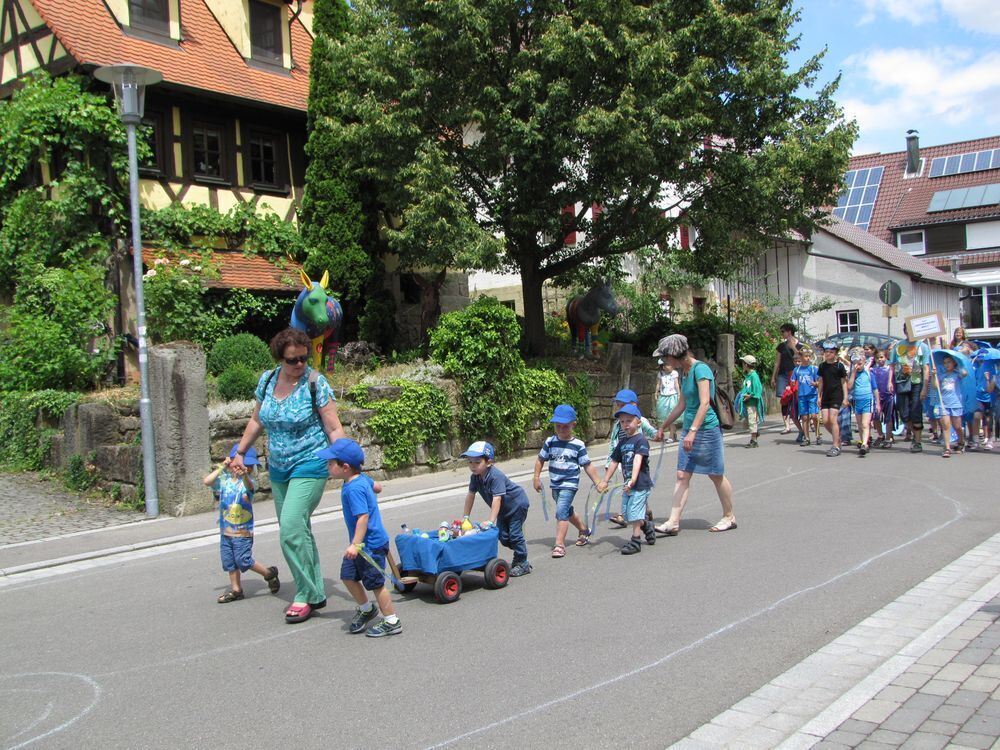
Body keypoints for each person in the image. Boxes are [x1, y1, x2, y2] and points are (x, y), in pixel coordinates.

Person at [230, 328, 346, 624]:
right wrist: (240, 452)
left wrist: (347, 463)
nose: (299, 365)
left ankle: (305, 595)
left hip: (311, 462)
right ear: (280, 358)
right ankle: (315, 589)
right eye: (292, 360)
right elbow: (256, 420)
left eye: (304, 359)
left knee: (291, 528)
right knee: (298, 531)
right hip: (279, 468)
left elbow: (333, 428)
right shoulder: (268, 381)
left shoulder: (315, 383)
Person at [652, 334, 736, 536]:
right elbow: (682, 404)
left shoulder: (701, 369)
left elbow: (705, 402)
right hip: (691, 430)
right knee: (682, 475)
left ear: (675, 354)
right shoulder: (684, 372)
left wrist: (692, 432)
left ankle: (729, 516)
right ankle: (673, 521)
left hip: (706, 430)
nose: (664, 361)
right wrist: (663, 426)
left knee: (715, 474)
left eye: (665, 357)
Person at [317, 438, 401, 637]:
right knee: (347, 576)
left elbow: (362, 518)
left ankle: (392, 620)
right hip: (362, 544)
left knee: (376, 584)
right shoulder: (360, 479)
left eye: (330, 463)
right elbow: (376, 486)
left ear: (345, 467)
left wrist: (355, 544)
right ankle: (366, 609)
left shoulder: (354, 488)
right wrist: (376, 488)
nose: (327, 466)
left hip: (368, 545)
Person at [203, 446, 280, 604]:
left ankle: (269, 573)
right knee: (229, 562)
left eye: (249, 466)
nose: (245, 468)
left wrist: (244, 474)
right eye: (241, 464)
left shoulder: (248, 482)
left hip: (243, 532)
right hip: (226, 530)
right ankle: (236, 589)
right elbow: (207, 481)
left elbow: (249, 487)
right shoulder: (224, 481)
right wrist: (222, 466)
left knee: (243, 560)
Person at [533, 404, 602, 558]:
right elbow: (540, 460)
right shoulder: (550, 442)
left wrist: (598, 482)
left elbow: (587, 465)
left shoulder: (578, 445)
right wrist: (536, 477)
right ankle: (584, 529)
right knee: (566, 510)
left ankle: (559, 544)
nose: (562, 429)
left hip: (570, 484)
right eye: (558, 426)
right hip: (555, 484)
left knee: (561, 511)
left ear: (573, 424)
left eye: (565, 426)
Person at [462, 441, 532, 576]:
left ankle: (522, 562)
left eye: (477, 462)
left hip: (517, 505)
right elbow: (470, 495)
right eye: (470, 462)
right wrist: (466, 518)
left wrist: (490, 521)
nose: (473, 466)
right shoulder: (475, 478)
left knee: (515, 535)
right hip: (502, 510)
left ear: (489, 462)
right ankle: (520, 547)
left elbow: (497, 499)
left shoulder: (496, 476)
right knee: (503, 537)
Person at [598, 403, 654, 554]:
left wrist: (633, 479)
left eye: (629, 421)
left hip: (640, 484)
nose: (625, 424)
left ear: (638, 422)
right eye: (622, 422)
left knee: (635, 511)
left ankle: (636, 541)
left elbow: (638, 460)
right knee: (628, 514)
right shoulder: (622, 443)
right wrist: (605, 480)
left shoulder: (641, 440)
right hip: (627, 484)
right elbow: (614, 461)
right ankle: (646, 526)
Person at [606, 388, 659, 528]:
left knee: (637, 485)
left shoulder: (639, 420)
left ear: (634, 405)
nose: (619, 408)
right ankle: (645, 511)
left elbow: (650, 430)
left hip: (638, 458)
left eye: (622, 405)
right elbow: (613, 443)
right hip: (624, 459)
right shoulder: (619, 424)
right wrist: (609, 460)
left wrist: (656, 435)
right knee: (632, 486)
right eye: (618, 405)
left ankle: (626, 515)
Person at [890, 331, 931, 453]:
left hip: (916, 382)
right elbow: (892, 365)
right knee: (903, 413)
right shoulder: (898, 345)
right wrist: (889, 382)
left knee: (916, 411)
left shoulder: (922, 346)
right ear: (905, 331)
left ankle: (917, 442)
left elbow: (926, 367)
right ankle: (913, 432)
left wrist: (925, 387)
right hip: (901, 381)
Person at [771, 323, 804, 436]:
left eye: (783, 331)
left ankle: (804, 421)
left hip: (795, 375)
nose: (782, 334)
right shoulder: (781, 346)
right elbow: (777, 362)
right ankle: (787, 425)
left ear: (789, 331)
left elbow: (803, 358)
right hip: (783, 374)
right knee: (783, 399)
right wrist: (773, 376)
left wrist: (793, 347)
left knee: (797, 398)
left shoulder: (801, 345)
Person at [817, 342, 848, 457]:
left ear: (835, 353)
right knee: (825, 421)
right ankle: (837, 438)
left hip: (837, 395)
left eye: (831, 352)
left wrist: (845, 397)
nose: (828, 354)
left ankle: (835, 446)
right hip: (826, 395)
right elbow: (820, 381)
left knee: (832, 419)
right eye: (826, 352)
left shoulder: (840, 366)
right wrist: (818, 396)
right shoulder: (822, 366)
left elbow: (843, 382)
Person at [936, 354, 966, 457]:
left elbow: (965, 373)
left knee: (957, 426)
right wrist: (933, 375)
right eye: (945, 363)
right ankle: (947, 448)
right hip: (943, 403)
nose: (946, 364)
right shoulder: (941, 375)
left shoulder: (957, 374)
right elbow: (935, 386)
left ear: (953, 363)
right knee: (946, 426)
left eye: (949, 362)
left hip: (956, 403)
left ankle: (961, 442)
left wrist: (959, 367)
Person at [847, 350, 875, 456]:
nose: (858, 366)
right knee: (859, 425)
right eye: (855, 364)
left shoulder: (867, 371)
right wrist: (853, 373)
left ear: (864, 363)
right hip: (857, 400)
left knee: (865, 424)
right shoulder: (853, 373)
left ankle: (864, 444)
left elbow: (869, 362)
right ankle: (863, 440)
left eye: (860, 364)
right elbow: (849, 386)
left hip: (867, 399)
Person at [736, 354, 765, 448]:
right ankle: (755, 432)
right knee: (748, 422)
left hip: (752, 403)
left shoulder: (754, 376)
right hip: (747, 402)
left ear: (746, 364)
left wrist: (750, 395)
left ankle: (754, 441)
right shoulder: (747, 376)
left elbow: (758, 389)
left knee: (752, 421)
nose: (742, 365)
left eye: (743, 363)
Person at [792, 348, 820, 446]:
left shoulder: (813, 368)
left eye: (809, 356)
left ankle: (817, 435)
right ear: (801, 357)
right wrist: (792, 385)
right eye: (805, 356)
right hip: (802, 396)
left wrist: (815, 383)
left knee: (814, 416)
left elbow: (819, 382)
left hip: (812, 395)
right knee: (804, 417)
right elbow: (793, 382)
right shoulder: (797, 369)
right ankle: (807, 438)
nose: (808, 358)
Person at [972, 349, 996, 451]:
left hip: (990, 397)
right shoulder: (975, 366)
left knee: (989, 419)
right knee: (976, 416)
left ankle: (990, 439)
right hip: (978, 396)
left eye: (983, 358)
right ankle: (976, 441)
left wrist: (987, 379)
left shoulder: (993, 367)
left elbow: (992, 385)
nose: (981, 360)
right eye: (980, 358)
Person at [871, 350, 895, 448]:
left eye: (882, 357)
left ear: (886, 358)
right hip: (878, 396)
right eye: (877, 358)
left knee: (888, 418)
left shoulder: (889, 369)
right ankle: (881, 435)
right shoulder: (873, 370)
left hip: (888, 396)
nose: (880, 360)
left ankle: (888, 438)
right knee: (876, 417)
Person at [655, 359, 680, 442]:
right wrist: (656, 392)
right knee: (664, 416)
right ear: (663, 367)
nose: (670, 366)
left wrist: (679, 394)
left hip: (672, 396)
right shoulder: (661, 374)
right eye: (668, 365)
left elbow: (676, 384)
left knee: (671, 415)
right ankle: (665, 434)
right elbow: (658, 384)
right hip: (663, 396)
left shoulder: (674, 373)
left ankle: (671, 435)